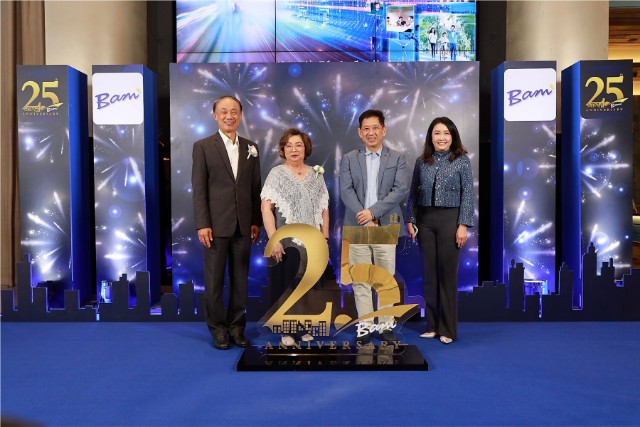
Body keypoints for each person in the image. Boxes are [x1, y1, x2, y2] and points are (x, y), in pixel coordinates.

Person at [191, 95, 262, 350]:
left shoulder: (251, 147)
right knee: (214, 282)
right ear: (215, 115)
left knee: (240, 281)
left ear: (240, 116)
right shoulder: (203, 146)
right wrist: (202, 223)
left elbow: (255, 188)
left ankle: (236, 328)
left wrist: (255, 221)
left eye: (234, 112)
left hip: (243, 225)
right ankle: (218, 330)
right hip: (215, 226)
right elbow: (199, 188)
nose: (229, 116)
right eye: (223, 111)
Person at [340, 109, 408, 344]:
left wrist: (373, 213)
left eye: (375, 128)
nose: (371, 133)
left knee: (385, 279)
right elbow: (346, 190)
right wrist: (364, 216)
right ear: (360, 132)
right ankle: (365, 327)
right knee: (361, 280)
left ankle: (386, 326)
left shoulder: (397, 158)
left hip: (385, 225)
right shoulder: (349, 158)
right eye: (366, 129)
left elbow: (399, 190)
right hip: (357, 226)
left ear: (384, 130)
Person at [406, 117, 474, 345]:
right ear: (431, 137)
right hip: (425, 221)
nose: (441, 137)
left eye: (446, 133)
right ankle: (432, 326)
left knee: (447, 276)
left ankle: (447, 329)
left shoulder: (462, 161)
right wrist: (410, 219)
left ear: (452, 136)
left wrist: (462, 225)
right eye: (437, 133)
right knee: (430, 276)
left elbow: (467, 194)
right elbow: (413, 193)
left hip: (450, 220)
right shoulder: (422, 161)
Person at [260, 128, 329, 346]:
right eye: (288, 145)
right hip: (287, 241)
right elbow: (266, 209)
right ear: (283, 150)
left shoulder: (316, 175)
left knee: (308, 284)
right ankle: (287, 330)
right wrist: (274, 240)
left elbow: (324, 208)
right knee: (287, 285)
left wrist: (325, 238)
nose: (294, 149)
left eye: (298, 145)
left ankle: (304, 327)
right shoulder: (277, 174)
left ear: (305, 148)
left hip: (312, 241)